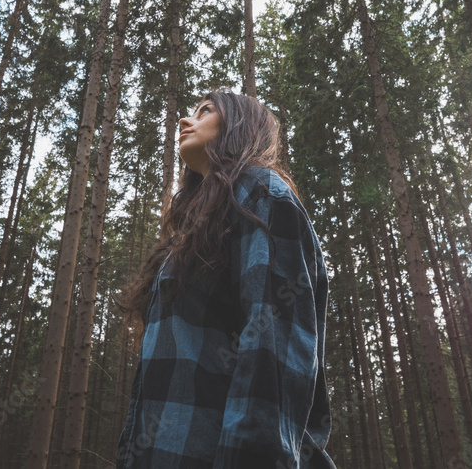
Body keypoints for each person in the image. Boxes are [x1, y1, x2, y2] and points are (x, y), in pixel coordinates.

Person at [115, 90, 337, 468]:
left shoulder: (260, 192)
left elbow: (272, 342)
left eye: (204, 111)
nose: (185, 121)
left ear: (238, 124)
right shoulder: (191, 232)